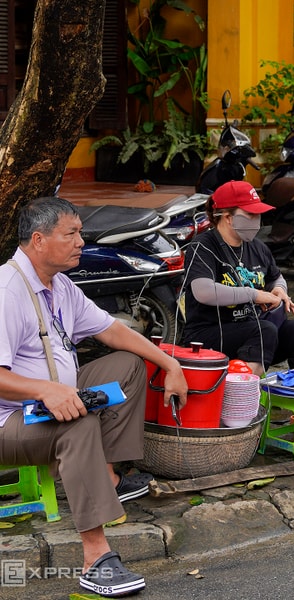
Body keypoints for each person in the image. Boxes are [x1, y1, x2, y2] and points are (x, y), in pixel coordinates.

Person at [0, 196, 189, 597]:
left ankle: (107, 475)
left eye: (80, 233)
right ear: (38, 240)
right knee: (78, 421)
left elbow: (112, 331)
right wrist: (46, 390)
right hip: (10, 421)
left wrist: (171, 365)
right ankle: (95, 558)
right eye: (71, 234)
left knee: (128, 363)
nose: (81, 242)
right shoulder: (7, 290)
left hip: (51, 398)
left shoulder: (61, 285)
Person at [181, 180, 294, 377]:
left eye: (258, 214)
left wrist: (279, 290)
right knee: (263, 330)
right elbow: (203, 292)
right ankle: (242, 400)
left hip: (253, 329)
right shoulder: (202, 247)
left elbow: (276, 277)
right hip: (208, 335)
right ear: (228, 217)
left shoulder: (257, 247)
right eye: (250, 214)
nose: (257, 220)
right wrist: (255, 295)